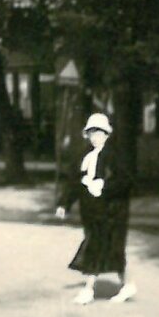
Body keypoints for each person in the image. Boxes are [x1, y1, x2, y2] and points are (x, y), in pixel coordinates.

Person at [55, 111, 136, 305]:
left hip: (111, 212)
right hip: (92, 212)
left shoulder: (114, 155)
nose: (95, 137)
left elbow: (125, 181)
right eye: (91, 133)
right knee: (107, 249)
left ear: (107, 135)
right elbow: (75, 183)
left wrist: (104, 186)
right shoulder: (85, 156)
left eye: (99, 133)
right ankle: (127, 285)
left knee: (98, 247)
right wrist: (64, 204)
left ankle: (88, 289)